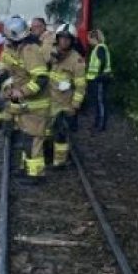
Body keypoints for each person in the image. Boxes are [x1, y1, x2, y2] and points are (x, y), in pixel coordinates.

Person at [0, 15, 51, 183]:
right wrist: (3, 73)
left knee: (33, 140)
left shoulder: (30, 50)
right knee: (27, 137)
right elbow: (12, 65)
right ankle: (27, 169)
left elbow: (41, 78)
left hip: (36, 105)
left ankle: (36, 175)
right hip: (27, 105)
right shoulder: (19, 48)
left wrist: (22, 92)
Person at [47, 24, 86, 167]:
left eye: (67, 39)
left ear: (72, 41)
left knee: (60, 133)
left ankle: (60, 161)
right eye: (61, 38)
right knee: (44, 131)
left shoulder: (77, 61)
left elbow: (81, 86)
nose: (64, 41)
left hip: (64, 104)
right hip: (47, 100)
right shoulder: (50, 54)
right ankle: (47, 153)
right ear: (57, 39)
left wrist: (75, 106)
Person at [86, 29, 112, 131]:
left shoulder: (100, 48)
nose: (88, 41)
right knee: (98, 102)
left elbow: (102, 62)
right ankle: (97, 124)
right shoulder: (98, 48)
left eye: (89, 38)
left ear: (95, 38)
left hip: (100, 79)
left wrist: (98, 76)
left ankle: (101, 125)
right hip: (98, 79)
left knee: (100, 102)